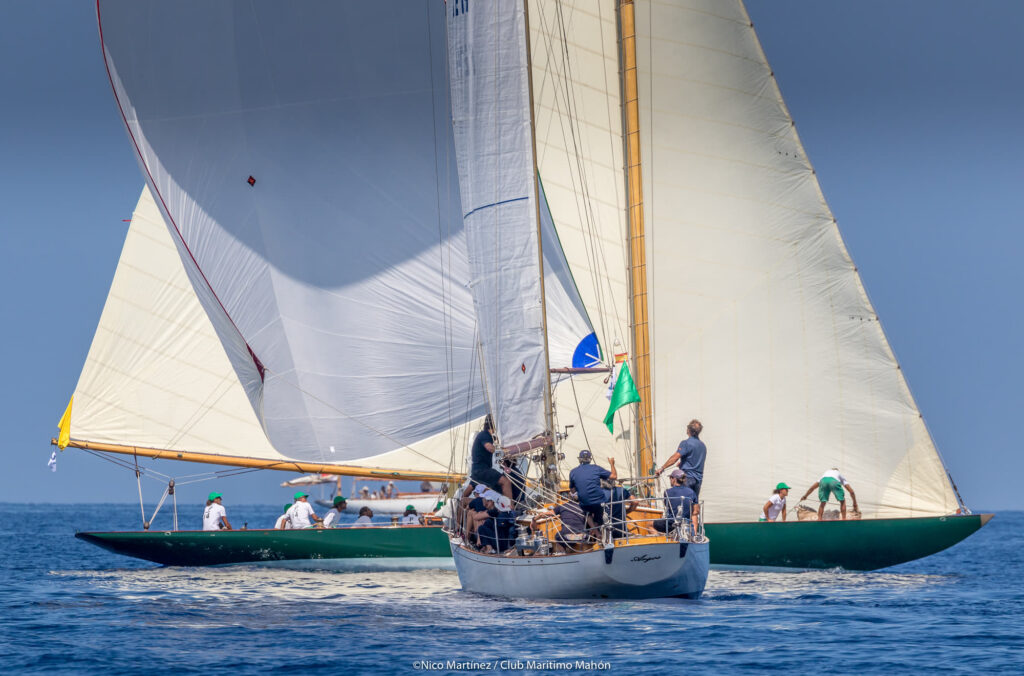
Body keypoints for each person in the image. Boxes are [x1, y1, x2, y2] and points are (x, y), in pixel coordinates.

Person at [655, 419, 706, 498]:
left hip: (687, 478)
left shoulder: (686, 443)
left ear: (689, 429)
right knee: (693, 502)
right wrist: (683, 463)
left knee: (683, 502)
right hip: (698, 480)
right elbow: (696, 460)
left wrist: (662, 468)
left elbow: (674, 458)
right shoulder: (703, 446)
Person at [469, 415, 514, 499]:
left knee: (496, 489)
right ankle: (509, 506)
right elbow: (489, 447)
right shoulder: (485, 435)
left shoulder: (483, 435)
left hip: (477, 471)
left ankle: (463, 501)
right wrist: (502, 451)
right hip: (482, 470)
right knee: (506, 482)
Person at [568, 450, 616, 527]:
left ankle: (594, 530)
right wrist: (612, 464)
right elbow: (614, 476)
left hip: (584, 503)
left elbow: (573, 490)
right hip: (598, 502)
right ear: (590, 459)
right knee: (601, 511)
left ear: (579, 459)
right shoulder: (596, 468)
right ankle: (597, 530)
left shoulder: (573, 472)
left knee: (587, 511)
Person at [653, 469, 698, 534]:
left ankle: (662, 539)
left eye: (670, 478)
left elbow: (667, 505)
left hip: (671, 524)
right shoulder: (691, 492)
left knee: (649, 524)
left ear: (673, 479)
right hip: (686, 524)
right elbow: (695, 511)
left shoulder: (667, 492)